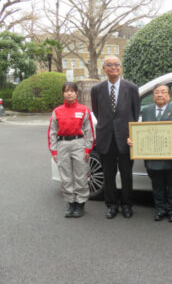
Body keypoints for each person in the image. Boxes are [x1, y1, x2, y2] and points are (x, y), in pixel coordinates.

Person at [91, 55, 140, 219]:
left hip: (126, 139)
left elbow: (135, 113)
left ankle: (127, 205)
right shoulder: (96, 89)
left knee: (126, 175)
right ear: (103, 68)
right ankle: (111, 205)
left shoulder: (132, 88)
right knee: (108, 175)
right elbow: (98, 112)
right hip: (106, 139)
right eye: (109, 65)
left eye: (116, 65)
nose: (113, 67)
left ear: (121, 68)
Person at [127, 84, 172, 222]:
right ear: (153, 96)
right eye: (156, 92)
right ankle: (160, 208)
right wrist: (132, 139)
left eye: (163, 92)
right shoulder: (146, 111)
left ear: (169, 95)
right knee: (157, 184)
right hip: (152, 156)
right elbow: (140, 130)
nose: (159, 95)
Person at [48, 82, 95, 218]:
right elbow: (52, 132)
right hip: (62, 144)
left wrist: (87, 149)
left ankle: (80, 203)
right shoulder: (57, 111)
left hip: (79, 143)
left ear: (76, 94)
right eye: (67, 91)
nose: (69, 93)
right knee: (66, 176)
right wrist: (54, 151)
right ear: (63, 93)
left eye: (72, 91)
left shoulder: (83, 110)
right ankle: (70, 203)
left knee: (81, 174)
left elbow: (89, 131)